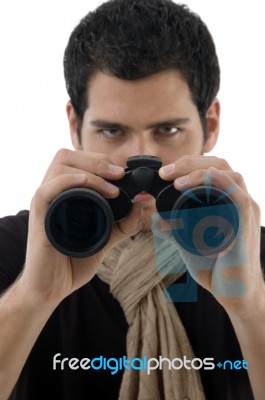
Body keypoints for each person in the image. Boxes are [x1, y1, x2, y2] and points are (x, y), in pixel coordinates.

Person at [0, 0, 264, 399]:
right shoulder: (14, 249)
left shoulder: (252, 255)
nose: (143, 161)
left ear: (210, 125)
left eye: (168, 130)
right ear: (75, 126)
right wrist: (32, 297)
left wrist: (251, 310)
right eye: (112, 132)